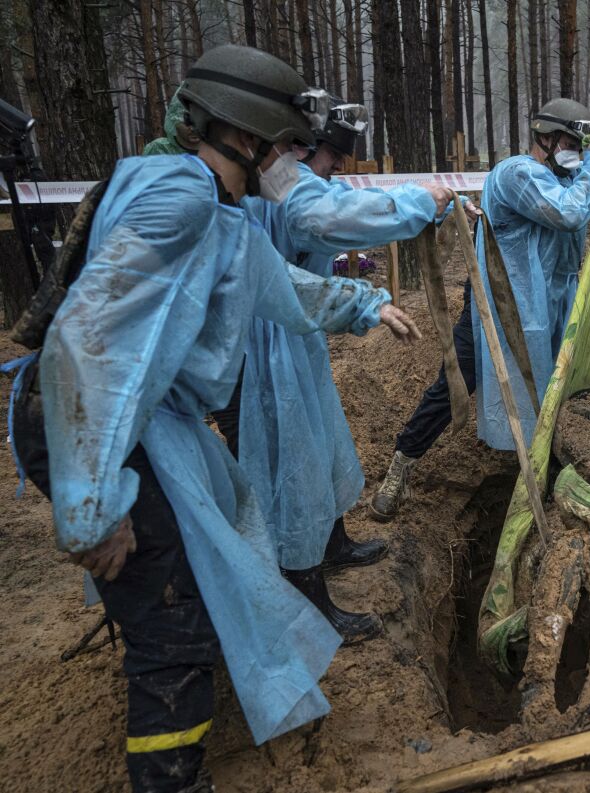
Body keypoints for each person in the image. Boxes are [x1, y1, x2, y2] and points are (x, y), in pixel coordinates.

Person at [8, 45, 421, 792]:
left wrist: (364, 304)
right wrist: (96, 505)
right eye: (288, 149)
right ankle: (171, 779)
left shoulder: (214, 211)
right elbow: (88, 346)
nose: (294, 165)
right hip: (98, 425)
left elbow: (284, 287)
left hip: (120, 423)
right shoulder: (184, 199)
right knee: (172, 628)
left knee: (194, 576)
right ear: (254, 139)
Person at [370, 98, 590, 520]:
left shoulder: (573, 174)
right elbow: (567, 212)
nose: (577, 153)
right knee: (456, 381)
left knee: (558, 386)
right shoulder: (516, 174)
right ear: (545, 137)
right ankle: (401, 465)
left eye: (581, 147)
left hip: (555, 304)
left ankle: (546, 469)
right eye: (570, 142)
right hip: (498, 306)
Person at [217, 99, 463, 643]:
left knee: (322, 441)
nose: (335, 170)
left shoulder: (285, 181)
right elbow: (333, 217)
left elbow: (339, 203)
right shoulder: (286, 190)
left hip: (295, 334)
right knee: (292, 462)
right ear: (298, 148)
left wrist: (426, 206)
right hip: (265, 347)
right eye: (330, 156)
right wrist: (419, 203)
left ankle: (331, 544)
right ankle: (305, 592)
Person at [142, 88, 202, 155]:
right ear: (174, 121)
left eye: (199, 122)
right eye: (187, 122)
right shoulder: (159, 150)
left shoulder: (213, 152)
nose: (193, 128)